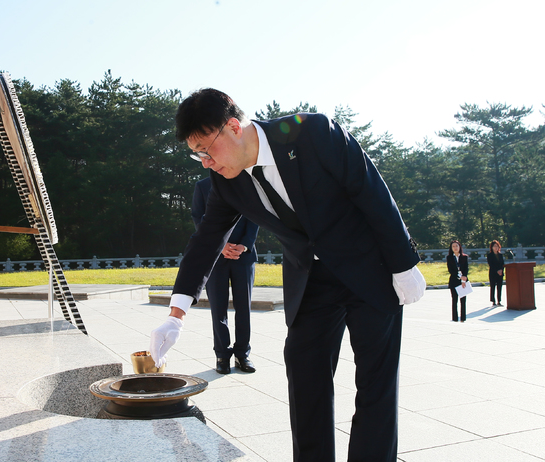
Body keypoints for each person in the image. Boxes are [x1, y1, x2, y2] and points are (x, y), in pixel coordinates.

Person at [149, 88, 426, 462]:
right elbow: (205, 242)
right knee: (304, 375)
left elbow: (371, 191)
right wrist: (176, 314)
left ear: (233, 127)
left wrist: (403, 265)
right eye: (195, 154)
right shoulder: (226, 181)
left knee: (376, 385)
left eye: (205, 149)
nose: (204, 162)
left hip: (370, 269)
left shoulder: (311, 133)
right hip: (311, 280)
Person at [192, 177, 259, 374]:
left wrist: (245, 245)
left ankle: (242, 355)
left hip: (244, 255)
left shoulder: (247, 183)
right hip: (215, 256)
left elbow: (255, 216)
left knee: (244, 307)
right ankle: (222, 355)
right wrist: (221, 246)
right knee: (218, 309)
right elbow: (198, 218)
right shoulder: (202, 186)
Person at [446, 240, 469, 322]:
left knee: (463, 300)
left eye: (457, 246)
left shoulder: (465, 257)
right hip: (454, 280)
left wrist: (464, 277)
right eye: (453, 246)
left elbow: (466, 268)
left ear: (460, 247)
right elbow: (451, 270)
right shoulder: (449, 258)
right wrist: (460, 276)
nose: (455, 248)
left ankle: (463, 318)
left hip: (463, 281)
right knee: (454, 299)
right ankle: (455, 318)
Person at [487, 240, 505, 307]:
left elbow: (502, 264)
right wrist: (497, 270)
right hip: (493, 273)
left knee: (499, 287)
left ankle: (499, 301)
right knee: (493, 286)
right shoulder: (490, 255)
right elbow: (491, 264)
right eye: (494, 246)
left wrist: (501, 270)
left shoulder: (500, 255)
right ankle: (493, 300)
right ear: (491, 247)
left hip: (500, 273)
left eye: (497, 246)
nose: (496, 247)